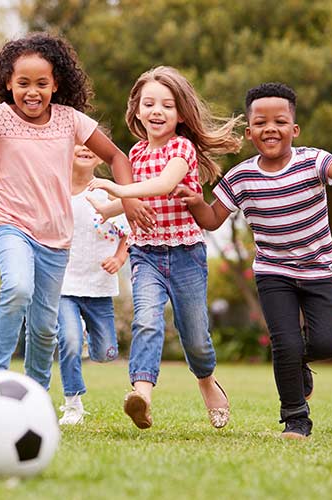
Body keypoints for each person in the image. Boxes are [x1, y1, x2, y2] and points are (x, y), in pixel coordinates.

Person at [0, 32, 147, 390]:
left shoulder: (71, 121)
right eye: (23, 83)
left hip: (55, 236)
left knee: (43, 325)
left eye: (41, 83)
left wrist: (127, 198)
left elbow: (116, 156)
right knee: (18, 287)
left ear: (55, 85)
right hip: (9, 223)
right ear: (8, 83)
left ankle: (34, 391)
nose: (31, 92)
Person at [174, 82, 332, 439]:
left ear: (294, 130)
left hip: (319, 270)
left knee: (329, 344)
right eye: (261, 122)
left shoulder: (314, 161)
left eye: (280, 121)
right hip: (273, 273)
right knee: (285, 343)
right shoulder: (241, 177)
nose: (271, 128)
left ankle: (299, 365)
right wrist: (194, 202)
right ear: (250, 131)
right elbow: (211, 220)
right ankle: (296, 419)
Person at [88, 66, 242, 430]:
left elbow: (163, 184)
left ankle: (206, 382)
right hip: (146, 253)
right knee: (146, 321)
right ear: (137, 110)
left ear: (181, 113)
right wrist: (106, 206)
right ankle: (142, 395)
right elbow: (135, 203)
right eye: (149, 103)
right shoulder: (135, 154)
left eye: (167, 105)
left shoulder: (182, 148)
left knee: (196, 336)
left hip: (186, 253)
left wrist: (119, 191)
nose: (157, 111)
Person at [56, 142, 130, 425]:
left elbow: (127, 233)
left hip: (99, 287)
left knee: (105, 353)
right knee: (69, 341)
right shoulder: (56, 191)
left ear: (100, 155)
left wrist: (119, 259)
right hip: (64, 284)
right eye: (78, 144)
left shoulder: (106, 194)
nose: (85, 149)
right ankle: (73, 404)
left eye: (91, 146)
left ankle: (88, 339)